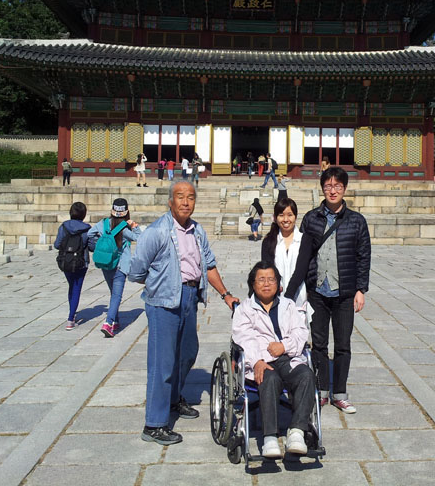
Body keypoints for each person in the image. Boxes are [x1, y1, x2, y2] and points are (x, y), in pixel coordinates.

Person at [129, 179, 239, 446]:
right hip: (163, 303)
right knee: (162, 362)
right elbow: (136, 271)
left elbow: (209, 266)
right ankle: (154, 424)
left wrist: (226, 295)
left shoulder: (197, 231)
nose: (186, 201)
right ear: (170, 201)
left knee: (188, 351)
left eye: (190, 197)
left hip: (190, 296)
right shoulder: (156, 231)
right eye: (180, 196)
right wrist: (161, 284)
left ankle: (173, 399)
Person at [300, 167, 370, 414]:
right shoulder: (310, 219)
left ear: (344, 189)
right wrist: (301, 288)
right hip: (317, 291)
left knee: (343, 345)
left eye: (337, 186)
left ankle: (340, 393)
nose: (332, 190)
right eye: (328, 186)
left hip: (344, 293)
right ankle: (321, 391)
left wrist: (361, 290)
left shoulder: (357, 221)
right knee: (318, 344)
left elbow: (363, 257)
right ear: (322, 188)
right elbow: (303, 255)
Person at [232, 261, 315, 458]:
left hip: (288, 358)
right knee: (269, 379)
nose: (267, 284)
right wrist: (257, 360)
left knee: (306, 375)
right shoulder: (244, 309)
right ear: (253, 284)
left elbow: (301, 332)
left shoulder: (289, 306)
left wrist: (284, 346)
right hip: (261, 362)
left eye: (271, 279)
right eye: (261, 280)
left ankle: (296, 432)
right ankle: (270, 437)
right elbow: (243, 338)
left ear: (279, 284)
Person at [87, 198, 142, 338]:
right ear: (126, 212)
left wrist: (100, 244)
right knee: (117, 295)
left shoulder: (103, 223)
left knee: (113, 293)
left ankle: (115, 320)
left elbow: (90, 234)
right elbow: (139, 237)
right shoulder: (124, 228)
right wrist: (134, 225)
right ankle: (108, 323)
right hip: (120, 265)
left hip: (106, 264)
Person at [261, 198, 314, 318]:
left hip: (298, 299)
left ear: (295, 216)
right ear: (275, 218)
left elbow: (301, 270)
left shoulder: (304, 240)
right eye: (281, 215)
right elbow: (268, 270)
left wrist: (287, 297)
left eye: (290, 215)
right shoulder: (268, 241)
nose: (285, 219)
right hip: (274, 300)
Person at [54, 201, 90, 329]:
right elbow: (91, 246)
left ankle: (72, 313)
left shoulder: (63, 227)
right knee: (76, 288)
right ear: (84, 215)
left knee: (71, 286)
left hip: (66, 261)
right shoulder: (86, 229)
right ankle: (71, 318)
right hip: (81, 262)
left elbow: (57, 244)